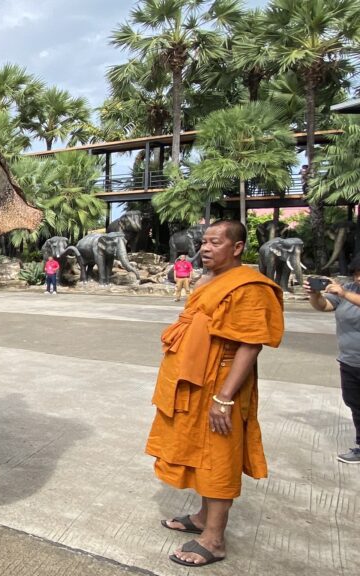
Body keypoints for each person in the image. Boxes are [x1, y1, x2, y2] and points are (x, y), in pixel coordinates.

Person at [146, 220, 284, 567]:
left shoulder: (250, 287)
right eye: (204, 242)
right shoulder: (209, 280)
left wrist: (224, 398)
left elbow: (250, 345)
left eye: (215, 243)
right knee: (199, 452)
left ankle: (214, 539)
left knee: (218, 455)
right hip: (194, 381)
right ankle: (203, 517)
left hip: (222, 382)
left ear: (237, 248)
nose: (205, 248)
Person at [304, 257, 360, 464]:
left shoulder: (347, 292)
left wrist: (344, 293)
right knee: (355, 404)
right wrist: (315, 294)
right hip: (350, 360)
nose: (358, 278)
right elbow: (324, 306)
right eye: (356, 273)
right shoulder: (349, 288)